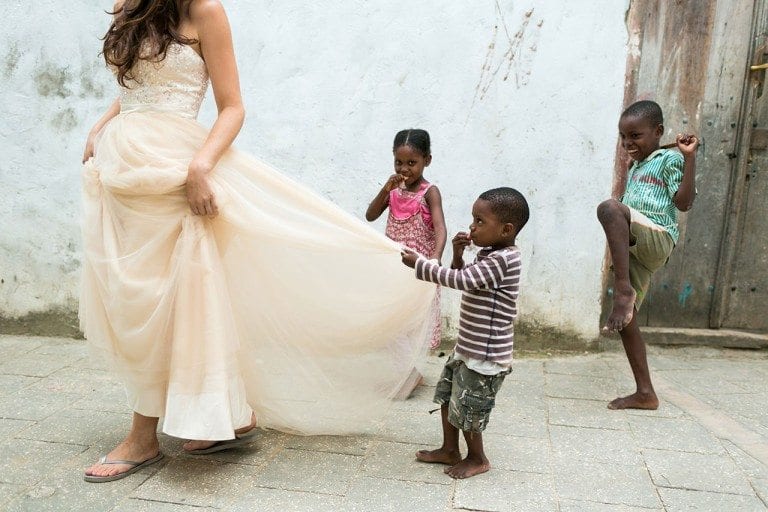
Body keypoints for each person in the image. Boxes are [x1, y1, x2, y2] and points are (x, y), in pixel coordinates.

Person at [81, 0, 435, 482]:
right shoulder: (132, 5)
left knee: (174, 299)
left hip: (176, 172)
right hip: (126, 170)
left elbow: (233, 106)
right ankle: (225, 412)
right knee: (135, 300)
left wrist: (201, 166)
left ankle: (143, 438)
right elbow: (137, 87)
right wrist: (102, 124)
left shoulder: (204, 10)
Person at [401, 187, 529, 479]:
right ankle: (449, 449)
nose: (472, 226)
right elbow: (466, 277)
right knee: (448, 396)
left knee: (470, 408)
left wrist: (420, 265)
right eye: (473, 219)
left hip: (485, 357)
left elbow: (462, 281)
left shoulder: (505, 259)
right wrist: (457, 253)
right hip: (467, 349)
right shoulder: (489, 253)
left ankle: (477, 458)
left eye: (480, 221)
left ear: (506, 229)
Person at [597, 100, 698, 410]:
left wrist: (689, 159)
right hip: (636, 244)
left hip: (658, 235)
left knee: (610, 208)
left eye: (635, 136)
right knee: (629, 319)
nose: (628, 144)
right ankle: (646, 393)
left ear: (658, 132)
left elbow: (683, 203)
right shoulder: (636, 165)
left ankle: (623, 289)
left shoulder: (669, 159)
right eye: (623, 137)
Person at [366, 129, 447, 398]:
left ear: (427, 160)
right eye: (398, 162)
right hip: (393, 270)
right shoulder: (394, 190)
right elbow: (370, 215)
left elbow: (440, 228)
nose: (404, 168)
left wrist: (434, 260)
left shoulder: (429, 192)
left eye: (411, 163)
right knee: (393, 323)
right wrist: (385, 188)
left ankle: (410, 374)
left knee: (412, 326)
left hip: (418, 270)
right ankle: (405, 373)